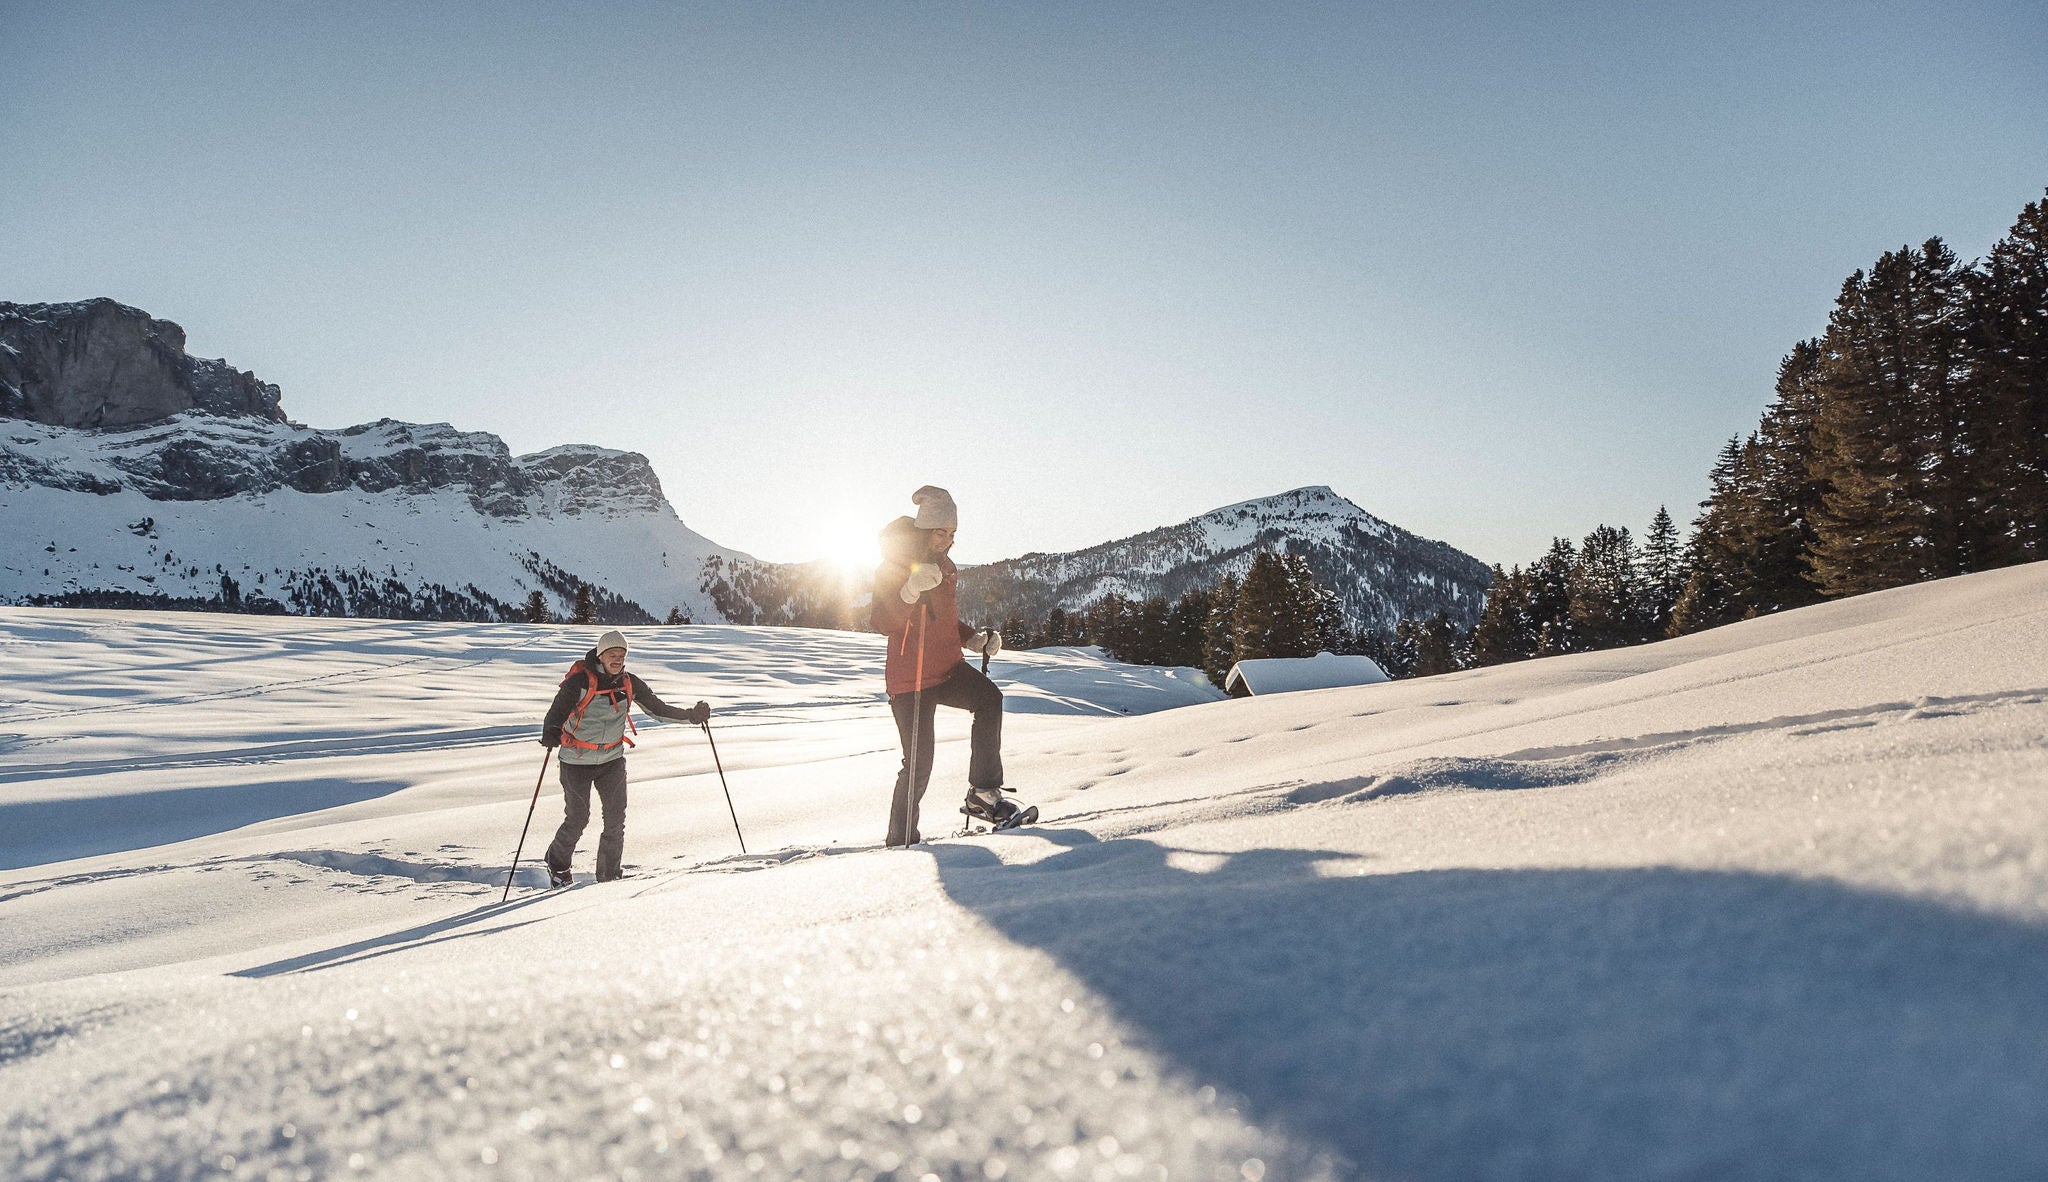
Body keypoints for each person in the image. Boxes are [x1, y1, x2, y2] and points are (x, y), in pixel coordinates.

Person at [870, 485, 1018, 846]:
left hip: (947, 667)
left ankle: (983, 794)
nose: (947, 540)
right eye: (940, 532)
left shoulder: (947, 567)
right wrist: (908, 591)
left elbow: (944, 620)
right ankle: (901, 838)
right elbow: (882, 622)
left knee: (989, 699)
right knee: (919, 763)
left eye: (953, 533)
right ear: (924, 530)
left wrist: (973, 639)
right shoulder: (893, 566)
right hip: (910, 679)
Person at [538, 629, 710, 884]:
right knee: (578, 818)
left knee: (616, 820)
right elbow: (557, 711)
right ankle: (558, 864)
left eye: (622, 655)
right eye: (612, 654)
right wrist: (551, 731)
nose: (617, 659)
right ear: (601, 655)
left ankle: (609, 877)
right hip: (576, 761)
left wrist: (690, 715)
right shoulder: (579, 682)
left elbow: (657, 709)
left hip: (612, 760)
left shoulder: (629, 682)